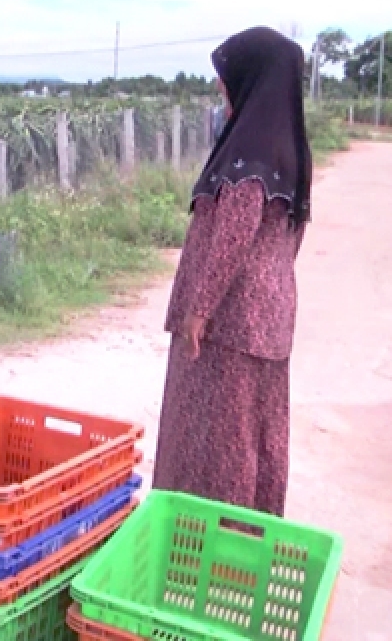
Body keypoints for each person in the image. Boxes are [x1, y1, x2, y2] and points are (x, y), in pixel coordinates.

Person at [152, 26, 312, 517]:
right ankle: (249, 533)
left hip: (230, 320)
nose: (221, 90)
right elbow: (292, 237)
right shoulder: (290, 150)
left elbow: (233, 237)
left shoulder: (250, 156)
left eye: (226, 81)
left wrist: (200, 309)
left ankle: (207, 541)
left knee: (220, 435)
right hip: (267, 313)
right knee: (255, 431)